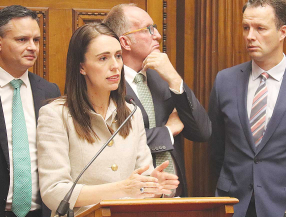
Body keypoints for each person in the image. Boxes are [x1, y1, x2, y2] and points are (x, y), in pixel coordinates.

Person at [36, 22, 179, 216]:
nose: (115, 66)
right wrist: (123, 189)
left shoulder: (132, 113)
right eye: (103, 58)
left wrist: (154, 188)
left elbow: (141, 185)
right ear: (81, 67)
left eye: (118, 56)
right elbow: (54, 192)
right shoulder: (55, 115)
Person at [104, 4, 211, 197]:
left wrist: (175, 79)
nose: (158, 35)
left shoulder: (162, 79)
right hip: (134, 199)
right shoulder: (107, 86)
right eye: (148, 29)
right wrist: (167, 132)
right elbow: (116, 145)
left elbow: (202, 132)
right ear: (125, 42)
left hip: (176, 198)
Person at [209, 0, 286, 217]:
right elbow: (216, 148)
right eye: (246, 27)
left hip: (285, 206)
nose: (250, 36)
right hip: (233, 204)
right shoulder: (225, 80)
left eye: (260, 28)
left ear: (283, 32)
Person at [0, 5, 61, 217]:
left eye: (36, 40)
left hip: (41, 211)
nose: (32, 47)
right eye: (22, 40)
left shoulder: (48, 90)